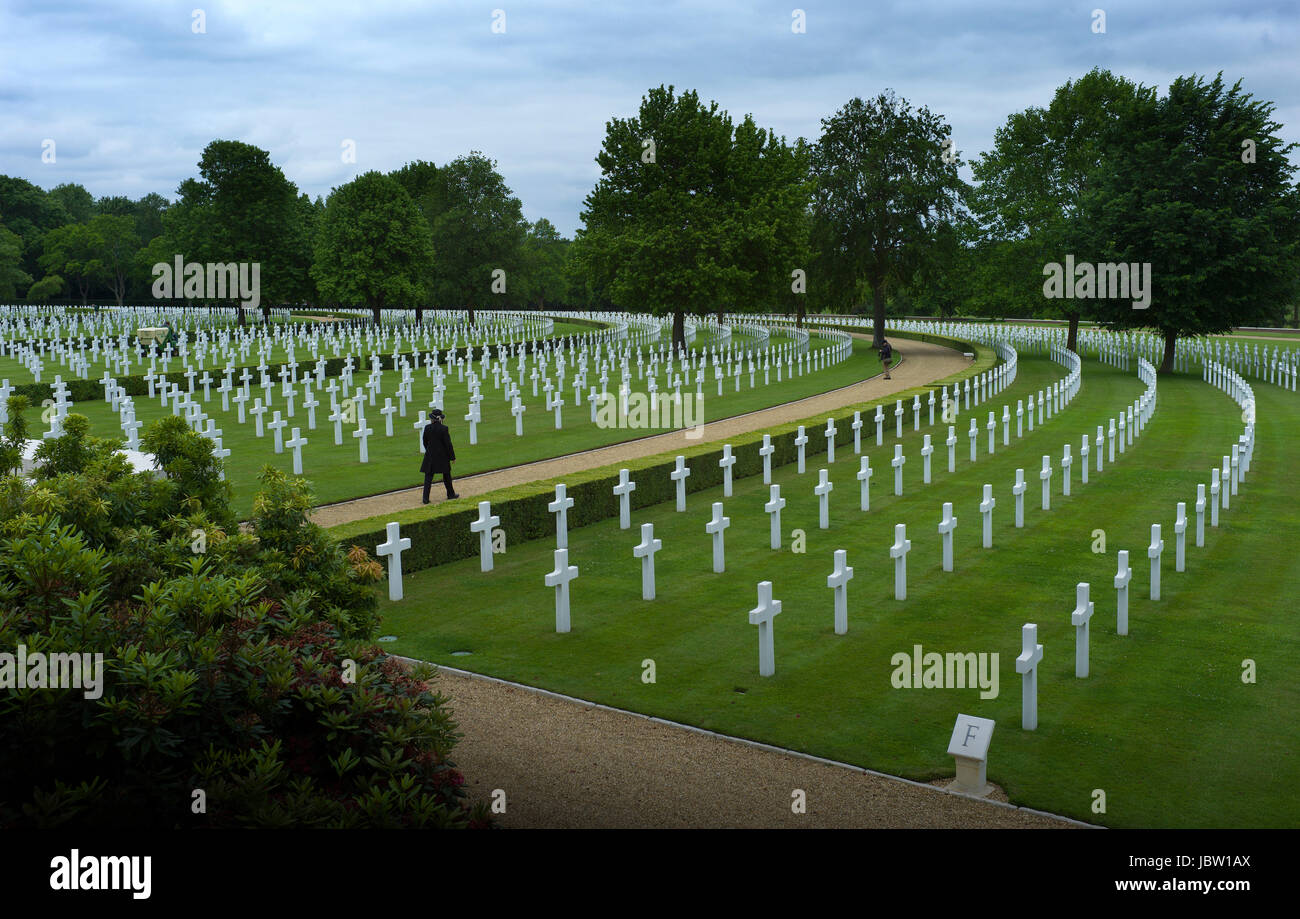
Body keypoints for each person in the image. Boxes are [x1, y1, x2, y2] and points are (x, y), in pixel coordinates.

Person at [421, 409, 459, 502]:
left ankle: (425, 498)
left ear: (432, 419)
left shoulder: (427, 428)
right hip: (442, 456)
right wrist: (452, 457)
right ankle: (450, 494)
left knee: (428, 478)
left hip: (430, 455)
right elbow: (448, 444)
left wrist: (429, 450)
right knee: (446, 476)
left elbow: (425, 442)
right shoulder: (444, 428)